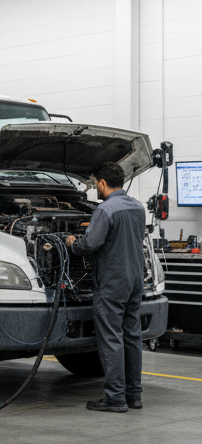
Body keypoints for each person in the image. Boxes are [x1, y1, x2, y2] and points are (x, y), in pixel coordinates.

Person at [65, 161, 147, 413]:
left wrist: (72, 242)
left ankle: (115, 398)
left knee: (111, 338)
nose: (94, 189)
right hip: (135, 279)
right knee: (132, 337)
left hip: (112, 282)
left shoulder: (105, 210)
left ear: (102, 183)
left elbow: (90, 245)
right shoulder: (137, 207)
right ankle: (134, 395)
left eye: (94, 184)